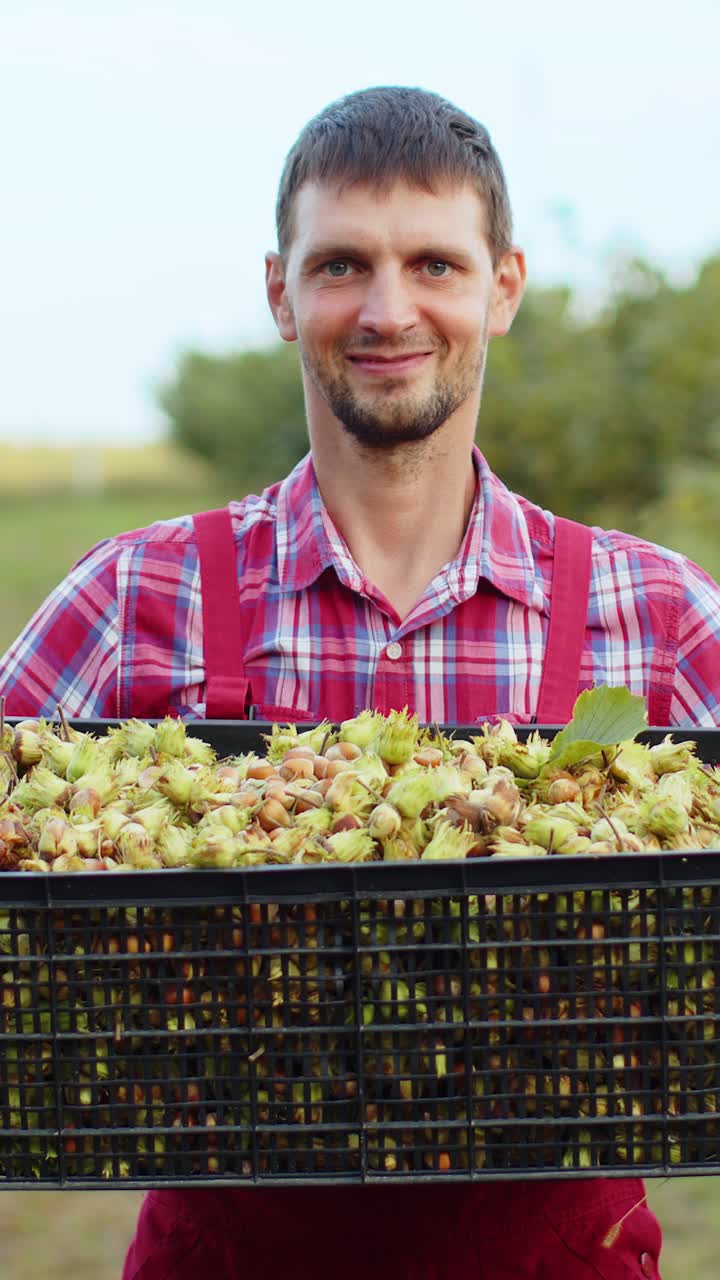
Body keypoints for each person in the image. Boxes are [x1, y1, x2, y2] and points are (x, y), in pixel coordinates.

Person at [2, 84, 719, 1280]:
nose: (389, 310)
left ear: (503, 286)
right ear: (282, 293)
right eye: (341, 264)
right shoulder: (134, 596)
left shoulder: (654, 613)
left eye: (434, 262)